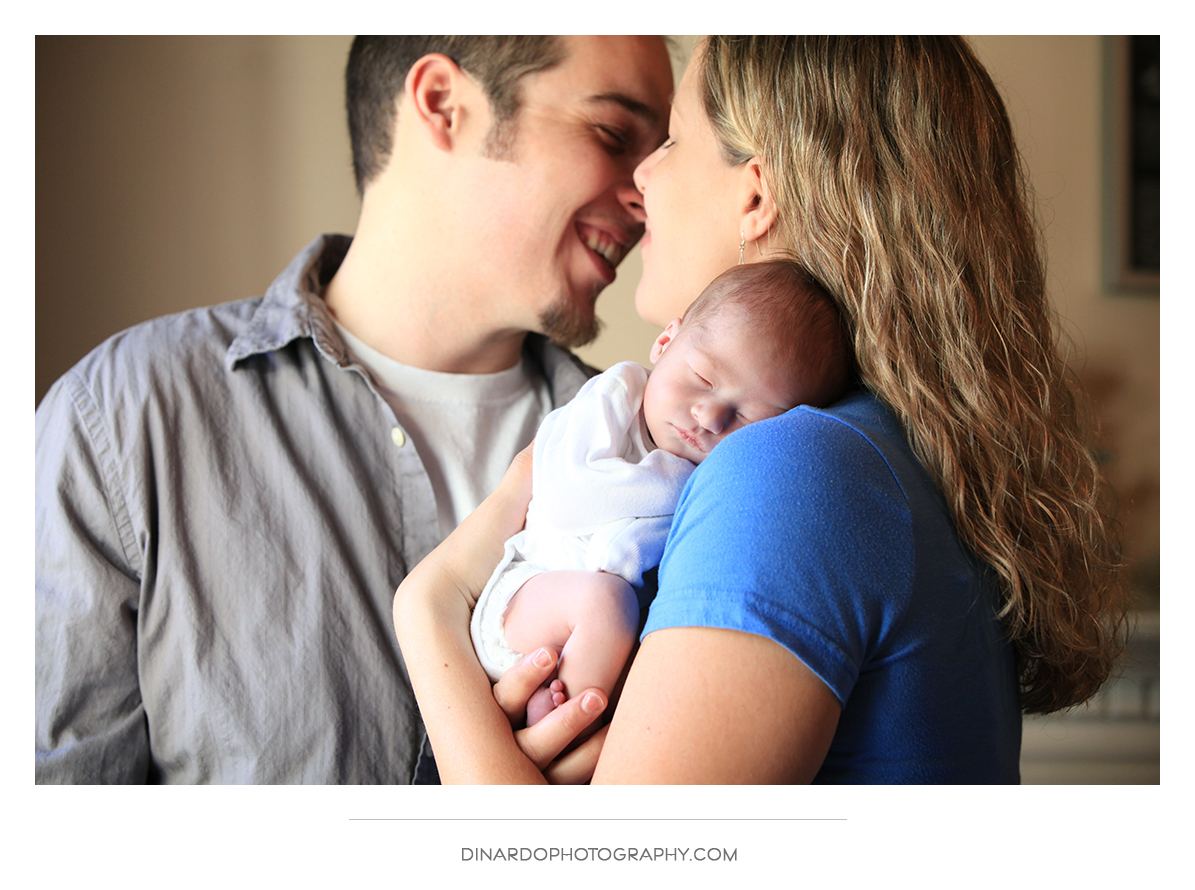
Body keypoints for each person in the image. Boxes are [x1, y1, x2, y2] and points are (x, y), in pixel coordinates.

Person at [392, 36, 1129, 783]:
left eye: (673, 138)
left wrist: (428, 612)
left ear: (754, 196)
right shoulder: (889, 449)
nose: (641, 174)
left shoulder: (790, 471)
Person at [34, 35, 673, 783]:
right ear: (442, 105)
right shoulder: (122, 420)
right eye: (611, 134)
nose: (646, 191)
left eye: (660, 152)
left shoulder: (658, 458)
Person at [472, 261, 850, 726]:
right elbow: (568, 501)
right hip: (525, 597)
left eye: (750, 416)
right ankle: (562, 727)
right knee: (607, 602)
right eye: (703, 378)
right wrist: (675, 483)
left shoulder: (725, 488)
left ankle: (557, 718)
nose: (710, 415)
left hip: (588, 647)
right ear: (665, 342)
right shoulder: (613, 399)